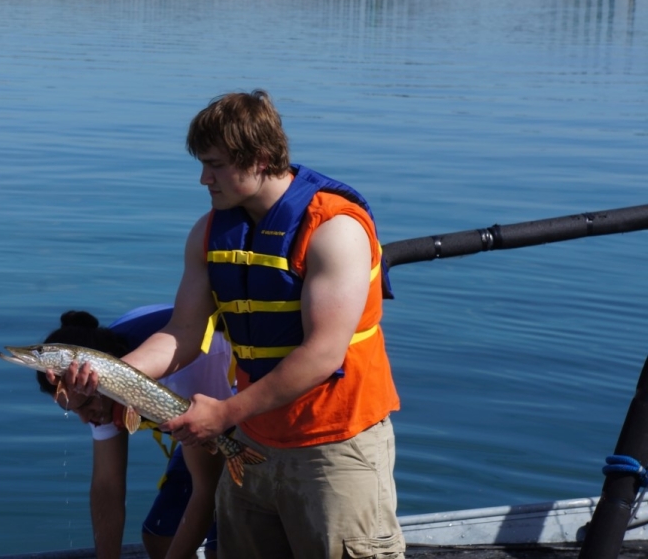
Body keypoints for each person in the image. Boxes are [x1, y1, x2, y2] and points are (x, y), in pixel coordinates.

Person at [60, 90, 405, 558]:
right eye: (202, 164)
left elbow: (323, 355)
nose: (204, 178)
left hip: (335, 448)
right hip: (254, 442)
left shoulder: (334, 230)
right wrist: (109, 376)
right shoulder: (209, 232)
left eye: (216, 165)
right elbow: (182, 334)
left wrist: (224, 415)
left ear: (261, 159)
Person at [37, 305, 233, 559]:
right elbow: (107, 486)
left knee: (223, 547)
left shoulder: (181, 373)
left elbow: (205, 488)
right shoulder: (93, 386)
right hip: (187, 410)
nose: (85, 419)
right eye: (72, 410)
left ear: (102, 375)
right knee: (159, 536)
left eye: (85, 405)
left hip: (238, 401)